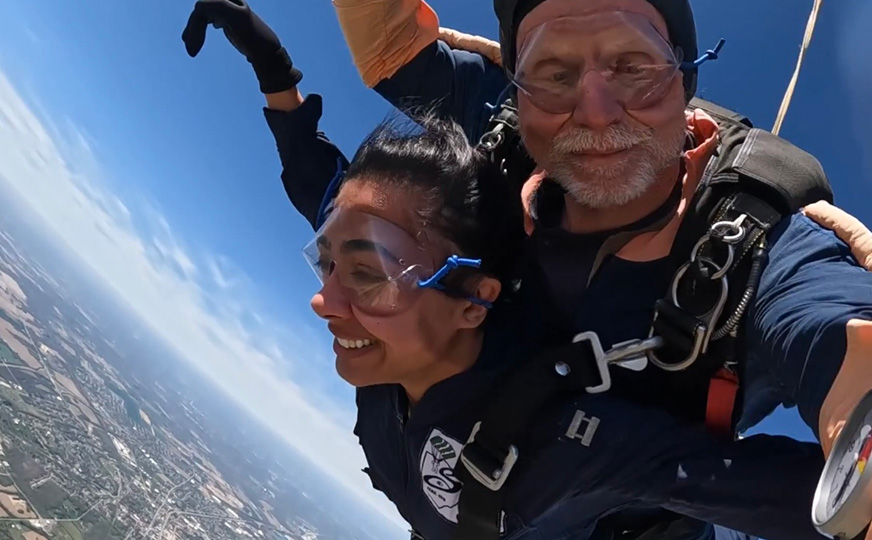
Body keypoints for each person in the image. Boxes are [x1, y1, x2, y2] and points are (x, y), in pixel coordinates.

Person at [181, 2, 872, 539]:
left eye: (635, 66)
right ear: (519, 94)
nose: (596, 110)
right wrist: (277, 75)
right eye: (554, 72)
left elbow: (836, 338)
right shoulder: (448, 234)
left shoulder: (762, 254)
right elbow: (342, 162)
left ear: (686, 81)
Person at [301, 111, 832, 540]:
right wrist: (278, 77)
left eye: (368, 275)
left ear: (472, 302)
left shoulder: (565, 441)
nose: (324, 300)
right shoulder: (386, 362)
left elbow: (805, 498)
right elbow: (316, 194)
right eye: (326, 263)